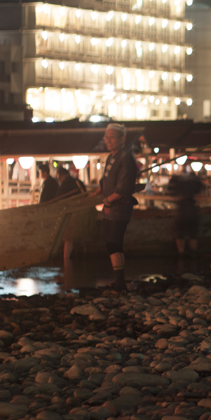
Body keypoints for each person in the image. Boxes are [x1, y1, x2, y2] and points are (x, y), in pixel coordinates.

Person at [91, 123, 139, 293]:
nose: (108, 140)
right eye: (106, 137)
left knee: (114, 243)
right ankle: (119, 281)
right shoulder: (112, 157)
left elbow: (124, 186)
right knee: (111, 245)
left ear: (122, 139)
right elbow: (107, 179)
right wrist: (99, 190)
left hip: (120, 206)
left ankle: (121, 283)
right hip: (109, 206)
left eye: (112, 137)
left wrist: (109, 200)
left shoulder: (125, 157)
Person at [57, 163, 91, 260]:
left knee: (68, 238)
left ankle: (66, 259)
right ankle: (68, 259)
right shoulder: (77, 181)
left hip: (72, 215)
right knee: (72, 238)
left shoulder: (65, 184)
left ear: (61, 176)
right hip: (83, 212)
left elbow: (58, 198)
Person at [171, 168, 204, 257]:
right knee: (193, 233)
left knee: (180, 233)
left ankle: (181, 254)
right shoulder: (196, 184)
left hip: (181, 211)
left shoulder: (180, 184)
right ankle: (193, 254)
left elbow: (173, 193)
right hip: (192, 210)